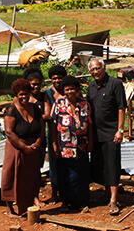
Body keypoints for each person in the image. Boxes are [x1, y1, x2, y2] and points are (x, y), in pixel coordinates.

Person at [86, 57, 127, 216]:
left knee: (112, 165)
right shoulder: (91, 87)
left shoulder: (115, 84)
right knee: (100, 164)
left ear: (104, 68)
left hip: (111, 133)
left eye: (97, 68)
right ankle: (105, 193)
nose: (95, 72)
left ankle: (113, 200)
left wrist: (120, 130)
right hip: (96, 133)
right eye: (92, 69)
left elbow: (121, 107)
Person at [1, 78, 44, 216]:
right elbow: (9, 131)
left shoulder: (36, 109)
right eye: (21, 94)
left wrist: (38, 142)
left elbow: (42, 128)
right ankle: (9, 208)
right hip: (16, 148)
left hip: (32, 147)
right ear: (16, 95)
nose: (24, 97)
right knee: (11, 175)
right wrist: (23, 147)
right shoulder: (11, 110)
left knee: (30, 177)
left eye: (26, 93)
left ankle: (26, 206)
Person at [51, 75, 92, 211]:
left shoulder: (84, 104)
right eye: (67, 89)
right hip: (64, 145)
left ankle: (81, 202)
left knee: (81, 174)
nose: (70, 92)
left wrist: (90, 142)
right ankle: (66, 202)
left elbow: (90, 124)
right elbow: (53, 124)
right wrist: (54, 144)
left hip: (81, 144)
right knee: (65, 175)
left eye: (72, 89)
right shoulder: (59, 103)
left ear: (77, 89)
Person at [44, 64, 67, 201]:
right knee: (54, 162)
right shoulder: (48, 93)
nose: (57, 81)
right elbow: (48, 114)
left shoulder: (68, 90)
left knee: (67, 162)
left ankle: (67, 191)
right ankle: (55, 192)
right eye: (54, 78)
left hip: (68, 132)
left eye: (59, 78)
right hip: (53, 131)